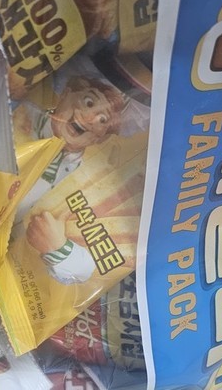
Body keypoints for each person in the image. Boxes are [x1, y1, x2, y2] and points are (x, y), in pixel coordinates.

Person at [13, 75, 135, 284]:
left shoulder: (93, 183)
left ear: (101, 137)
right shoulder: (18, 113)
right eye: (89, 102)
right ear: (66, 94)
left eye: (102, 120)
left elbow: (89, 273)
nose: (89, 118)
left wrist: (58, 248)